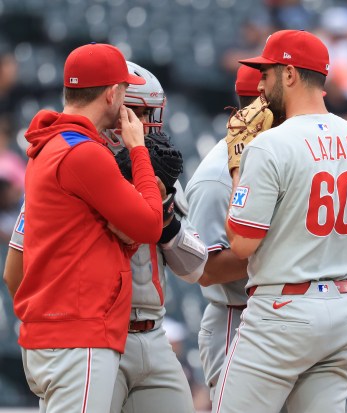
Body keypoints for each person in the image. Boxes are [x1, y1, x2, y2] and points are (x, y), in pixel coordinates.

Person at [213, 29, 347, 413]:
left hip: (282, 310)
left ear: (289, 74)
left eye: (266, 73)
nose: (261, 85)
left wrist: (238, 161)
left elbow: (241, 243)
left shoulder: (269, 144)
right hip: (341, 312)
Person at [4, 61, 207, 413]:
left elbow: (194, 268)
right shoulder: (68, 167)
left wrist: (167, 219)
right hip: (94, 336)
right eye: (139, 112)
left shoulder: (160, 177)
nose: (146, 125)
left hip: (150, 333)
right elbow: (15, 270)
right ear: (116, 104)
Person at [185, 64, 262, 403]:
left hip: (291, 314)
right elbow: (208, 269)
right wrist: (292, 252)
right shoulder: (216, 176)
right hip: (237, 318)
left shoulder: (286, 157)